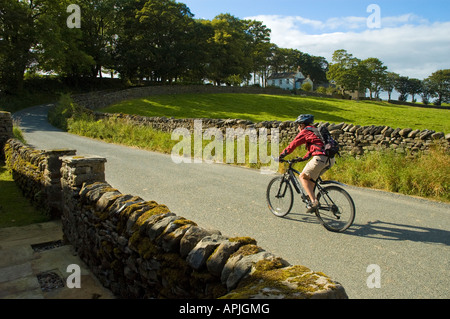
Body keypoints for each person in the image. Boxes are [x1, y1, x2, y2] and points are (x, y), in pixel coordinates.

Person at [279, 114, 335, 213]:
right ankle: (311, 199)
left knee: (303, 176)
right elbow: (315, 148)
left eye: (298, 125)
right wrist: (302, 158)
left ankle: (314, 202)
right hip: (330, 160)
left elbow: (293, 144)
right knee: (311, 180)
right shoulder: (316, 131)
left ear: (301, 125)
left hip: (320, 159)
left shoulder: (305, 132)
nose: (298, 128)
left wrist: (282, 155)